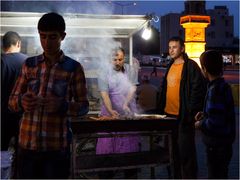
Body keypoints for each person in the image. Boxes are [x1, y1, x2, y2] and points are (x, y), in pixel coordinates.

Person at [8, 12, 89, 179]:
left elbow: (84, 107)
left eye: (52, 37)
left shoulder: (73, 68)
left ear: (62, 36)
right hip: (27, 145)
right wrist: (23, 102)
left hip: (56, 149)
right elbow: (12, 102)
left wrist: (62, 106)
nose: (47, 42)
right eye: (43, 37)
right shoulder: (29, 65)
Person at [158, 36, 206, 178]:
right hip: (169, 116)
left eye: (174, 47)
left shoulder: (191, 66)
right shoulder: (170, 65)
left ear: (182, 48)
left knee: (186, 152)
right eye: (170, 47)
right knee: (171, 152)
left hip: (183, 117)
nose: (171, 50)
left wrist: (190, 111)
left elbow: (198, 89)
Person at [96, 47, 140, 179]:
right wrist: (110, 111)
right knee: (107, 146)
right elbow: (105, 94)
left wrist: (125, 104)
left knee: (129, 147)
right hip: (109, 112)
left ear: (124, 58)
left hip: (127, 111)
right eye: (114, 59)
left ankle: (130, 172)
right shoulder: (103, 71)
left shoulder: (130, 69)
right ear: (110, 59)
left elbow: (132, 88)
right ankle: (106, 172)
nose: (117, 62)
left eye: (120, 59)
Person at [195, 50, 235, 179]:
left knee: (215, 175)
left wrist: (199, 124)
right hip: (225, 143)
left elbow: (214, 123)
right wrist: (205, 113)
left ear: (205, 69)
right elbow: (219, 113)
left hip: (216, 145)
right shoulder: (224, 86)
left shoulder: (214, 90)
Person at [1, 31, 28, 179]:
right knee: (23, 150)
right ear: (18, 43)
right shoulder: (28, 62)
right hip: (23, 116)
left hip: (2, 116)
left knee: (2, 150)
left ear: (3, 45)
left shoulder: (1, 61)